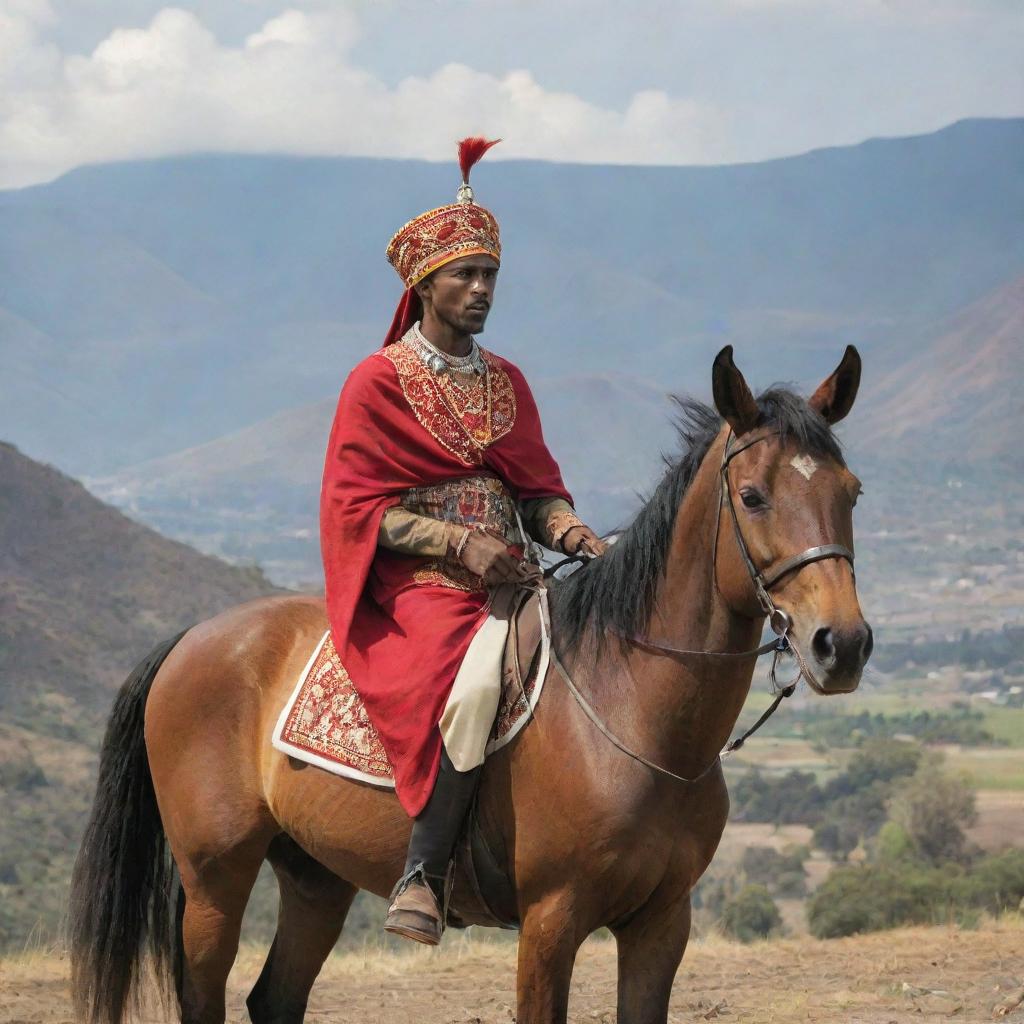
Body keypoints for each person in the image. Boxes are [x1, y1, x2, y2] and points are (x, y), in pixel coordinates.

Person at [319, 137, 606, 945]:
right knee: (474, 680)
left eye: (490, 277)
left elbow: (537, 487)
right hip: (418, 584)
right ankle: (424, 871)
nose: (481, 291)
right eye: (464, 276)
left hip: (512, 575)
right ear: (425, 284)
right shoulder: (375, 381)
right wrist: (457, 545)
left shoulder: (506, 380)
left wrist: (572, 532)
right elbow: (356, 509)